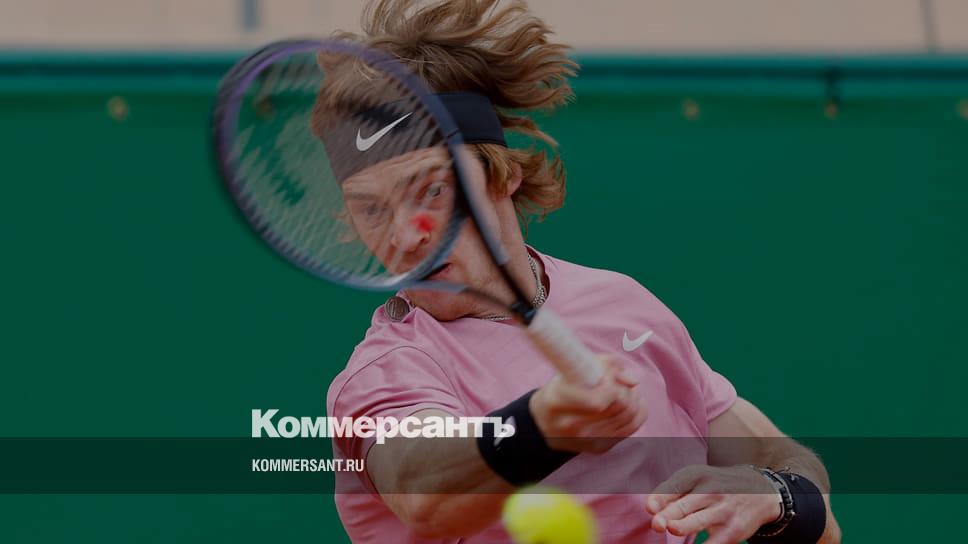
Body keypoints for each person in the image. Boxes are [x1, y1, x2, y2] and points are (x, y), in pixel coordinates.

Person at [323, 1, 842, 542]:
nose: (405, 236)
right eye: (372, 209)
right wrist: (541, 425)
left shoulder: (623, 303)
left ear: (503, 175)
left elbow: (801, 488)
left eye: (431, 190)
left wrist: (773, 495)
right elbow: (424, 491)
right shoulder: (387, 373)